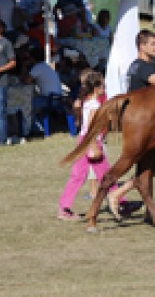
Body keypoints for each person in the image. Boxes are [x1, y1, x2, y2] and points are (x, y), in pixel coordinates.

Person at [106, 29, 155, 220]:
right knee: (145, 169)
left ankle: (149, 211)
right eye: (153, 44)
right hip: (144, 123)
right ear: (142, 46)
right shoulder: (142, 67)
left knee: (150, 169)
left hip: (147, 122)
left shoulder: (144, 64)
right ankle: (117, 193)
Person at [57, 70, 129, 220]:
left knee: (84, 175)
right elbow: (91, 127)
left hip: (85, 140)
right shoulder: (95, 105)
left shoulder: (87, 101)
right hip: (91, 141)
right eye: (103, 85)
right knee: (103, 175)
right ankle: (122, 202)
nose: (105, 87)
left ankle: (64, 207)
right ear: (96, 88)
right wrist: (94, 145)